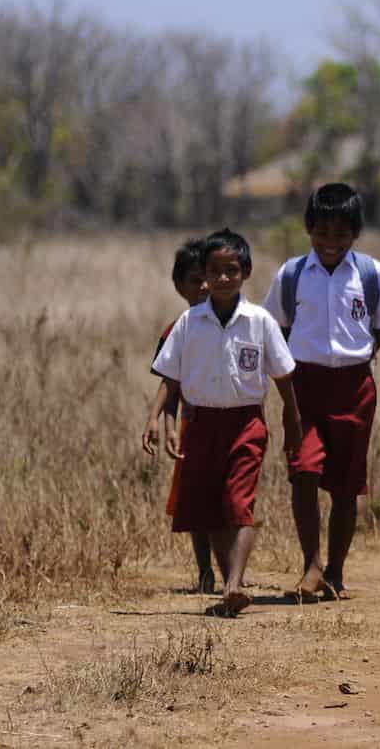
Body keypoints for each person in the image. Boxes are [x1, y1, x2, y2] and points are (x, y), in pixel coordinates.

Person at [144, 228, 301, 618]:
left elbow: (283, 376)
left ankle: (234, 583)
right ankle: (227, 582)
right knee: (212, 507)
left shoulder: (260, 321)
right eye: (214, 271)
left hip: (246, 423)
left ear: (245, 271)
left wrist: (292, 418)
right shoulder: (189, 322)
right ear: (205, 276)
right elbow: (171, 376)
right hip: (200, 426)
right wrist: (153, 417)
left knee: (238, 503)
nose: (223, 278)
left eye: (231, 270)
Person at [263, 183, 380, 602]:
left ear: (355, 234)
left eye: (341, 235)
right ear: (309, 229)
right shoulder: (290, 276)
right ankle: (312, 564)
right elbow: (277, 329)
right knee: (303, 471)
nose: (330, 243)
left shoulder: (370, 274)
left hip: (354, 387)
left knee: (345, 487)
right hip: (304, 387)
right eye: (322, 233)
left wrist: (360, 356)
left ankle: (336, 571)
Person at [140, 237, 215, 594]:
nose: (203, 286)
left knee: (229, 501)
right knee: (197, 504)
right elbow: (171, 384)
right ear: (179, 286)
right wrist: (165, 423)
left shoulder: (237, 322)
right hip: (194, 425)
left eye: (208, 277)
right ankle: (206, 572)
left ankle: (232, 570)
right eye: (194, 279)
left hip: (232, 424)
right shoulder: (176, 331)